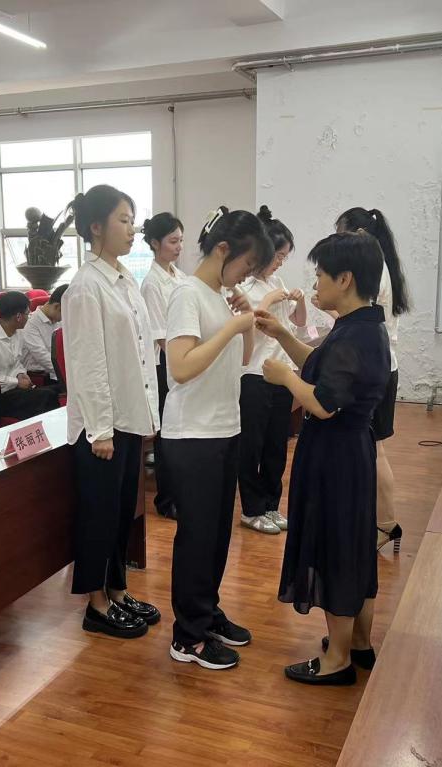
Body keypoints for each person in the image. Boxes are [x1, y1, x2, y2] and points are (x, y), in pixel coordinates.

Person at [254, 231, 390, 686]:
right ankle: (359, 643)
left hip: (336, 455)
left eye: (321, 275)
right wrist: (281, 335)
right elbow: (322, 366)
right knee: (354, 546)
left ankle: (337, 662)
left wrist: (284, 378)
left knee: (336, 548)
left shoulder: (354, 335)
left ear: (345, 279)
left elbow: (324, 402)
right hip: (350, 451)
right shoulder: (362, 326)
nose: (315, 283)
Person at [164, 206, 274, 671]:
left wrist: (243, 318)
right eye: (247, 264)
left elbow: (242, 359)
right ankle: (187, 636)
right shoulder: (187, 294)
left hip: (224, 427)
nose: (247, 274)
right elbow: (180, 367)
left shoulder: (220, 296)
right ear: (223, 249)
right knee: (197, 536)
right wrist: (231, 325)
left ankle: (206, 612)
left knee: (216, 536)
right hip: (192, 434)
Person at [61, 184, 161, 639]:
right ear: (96, 227)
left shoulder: (123, 280)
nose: (132, 229)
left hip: (127, 416)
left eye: (132, 220)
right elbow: (88, 363)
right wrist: (100, 429)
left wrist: (148, 415)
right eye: (123, 220)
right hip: (101, 427)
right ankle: (96, 604)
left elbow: (138, 354)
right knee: (99, 514)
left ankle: (118, 590)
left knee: (122, 512)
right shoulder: (86, 287)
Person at [335, 207, 411, 552]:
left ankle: (386, 524)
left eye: (342, 235)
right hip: (380, 364)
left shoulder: (373, 270)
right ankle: (377, 520)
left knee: (374, 448)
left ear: (360, 235)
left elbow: (357, 317)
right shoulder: (381, 266)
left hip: (374, 367)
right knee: (370, 448)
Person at [237, 205, 306, 535]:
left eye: (284, 257)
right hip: (254, 374)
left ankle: (270, 504)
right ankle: (251, 509)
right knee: (252, 445)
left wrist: (299, 299)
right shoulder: (245, 288)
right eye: (278, 255)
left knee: (276, 445)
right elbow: (248, 327)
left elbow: (299, 324)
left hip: (280, 372)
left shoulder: (277, 282)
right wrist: (269, 301)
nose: (280, 262)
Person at [139, 211, 185, 521]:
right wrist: (187, 360)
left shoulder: (179, 277)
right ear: (155, 243)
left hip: (181, 360)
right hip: (166, 364)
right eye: (172, 241)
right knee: (167, 436)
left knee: (180, 433)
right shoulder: (152, 283)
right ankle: (166, 499)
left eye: (181, 240)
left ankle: (182, 493)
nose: (179, 246)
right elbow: (161, 336)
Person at [0, 291, 60, 422]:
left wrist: (20, 373)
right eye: (27, 314)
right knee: (47, 396)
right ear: (18, 316)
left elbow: (16, 362)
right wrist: (15, 381)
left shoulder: (17, 333)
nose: (29, 317)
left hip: (16, 391)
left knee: (59, 390)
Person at [20, 284, 67, 382]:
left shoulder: (59, 320)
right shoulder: (31, 323)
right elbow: (42, 357)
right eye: (66, 313)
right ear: (57, 306)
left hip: (59, 373)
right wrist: (70, 370)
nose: (66, 317)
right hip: (39, 377)